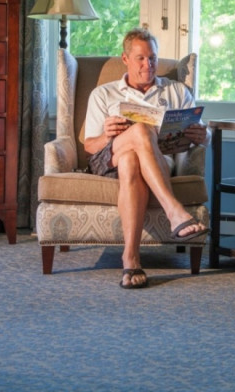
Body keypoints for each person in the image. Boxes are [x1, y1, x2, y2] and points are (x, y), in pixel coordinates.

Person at [83, 27, 210, 289]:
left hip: (157, 160)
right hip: (109, 158)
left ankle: (130, 259)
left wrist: (202, 134)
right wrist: (107, 135)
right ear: (125, 59)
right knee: (140, 130)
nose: (148, 64)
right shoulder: (103, 94)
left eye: (152, 57)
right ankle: (175, 212)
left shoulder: (176, 91)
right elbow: (89, 145)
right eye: (140, 58)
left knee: (132, 160)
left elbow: (204, 136)